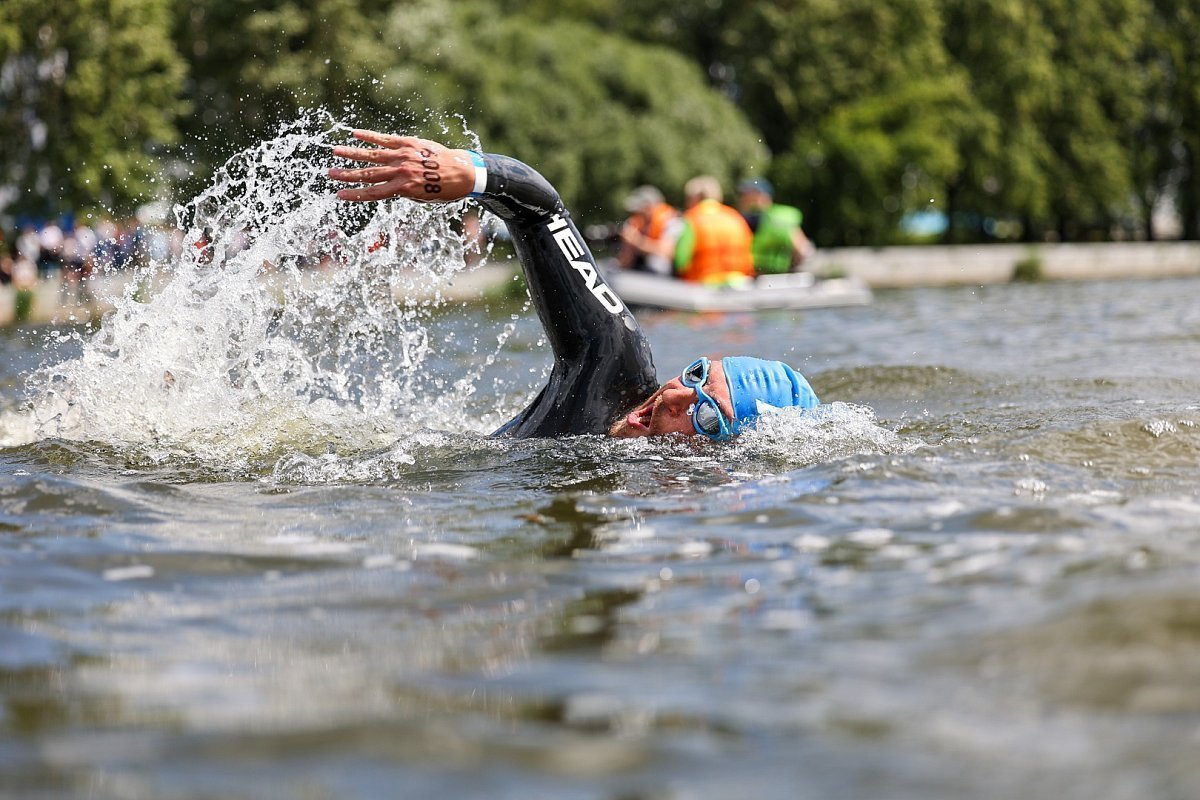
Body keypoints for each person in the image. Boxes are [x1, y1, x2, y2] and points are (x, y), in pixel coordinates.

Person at [328, 130, 819, 439]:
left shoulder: (664, 520)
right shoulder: (611, 365)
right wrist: (472, 173)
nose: (671, 398)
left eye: (708, 418)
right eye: (693, 377)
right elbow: (541, 208)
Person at [670, 175, 755, 286]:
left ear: (696, 198)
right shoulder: (735, 217)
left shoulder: (692, 219)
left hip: (703, 287)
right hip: (738, 285)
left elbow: (681, 262)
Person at [737, 177, 814, 275]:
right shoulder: (784, 216)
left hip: (756, 276)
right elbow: (804, 251)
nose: (743, 198)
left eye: (747, 194)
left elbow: (802, 249)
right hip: (779, 276)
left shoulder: (743, 219)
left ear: (760, 196)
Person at [616, 185, 676, 276]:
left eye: (640, 208)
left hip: (667, 272)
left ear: (649, 207)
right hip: (641, 264)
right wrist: (627, 247)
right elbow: (624, 261)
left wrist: (636, 241)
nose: (637, 213)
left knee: (657, 264)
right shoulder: (636, 222)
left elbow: (667, 252)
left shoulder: (671, 221)